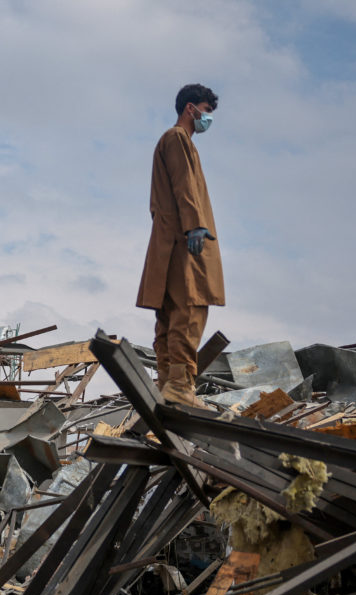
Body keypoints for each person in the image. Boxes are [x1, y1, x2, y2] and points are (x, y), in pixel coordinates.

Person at [136, 83, 223, 407]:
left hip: (169, 241)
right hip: (186, 243)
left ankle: (166, 383)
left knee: (170, 315)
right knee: (190, 309)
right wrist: (195, 225)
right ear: (191, 108)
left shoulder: (170, 141)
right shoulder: (177, 138)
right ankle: (180, 385)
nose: (208, 118)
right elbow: (185, 184)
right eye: (206, 111)